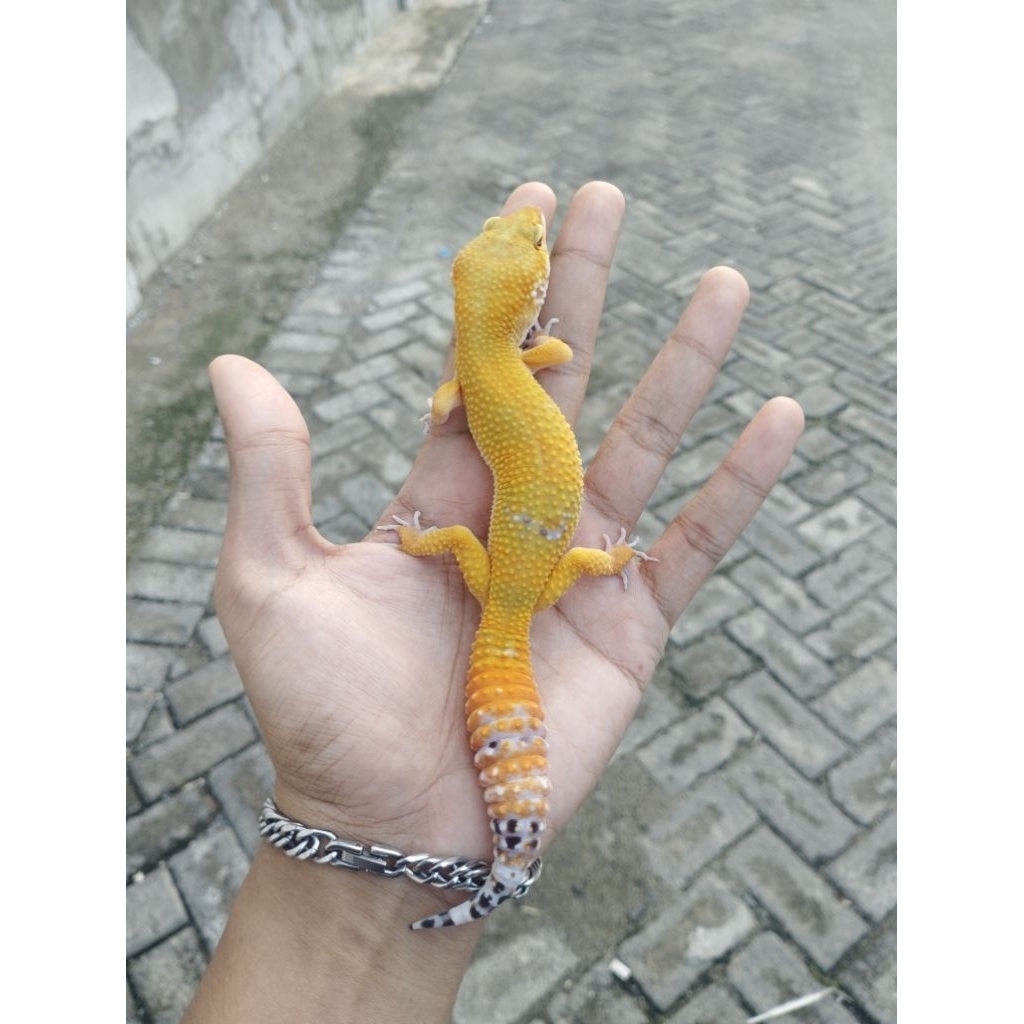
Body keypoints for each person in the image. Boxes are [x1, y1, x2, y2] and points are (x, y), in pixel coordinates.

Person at [182, 181, 804, 1022]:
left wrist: (423, 535)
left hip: (517, 571)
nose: (523, 234)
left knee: (510, 557)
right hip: (533, 574)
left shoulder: (472, 377)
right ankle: (501, 860)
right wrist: (610, 557)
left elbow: (445, 409)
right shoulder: (530, 358)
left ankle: (501, 861)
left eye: (528, 243)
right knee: (550, 561)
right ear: (526, 302)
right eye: (514, 244)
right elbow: (550, 359)